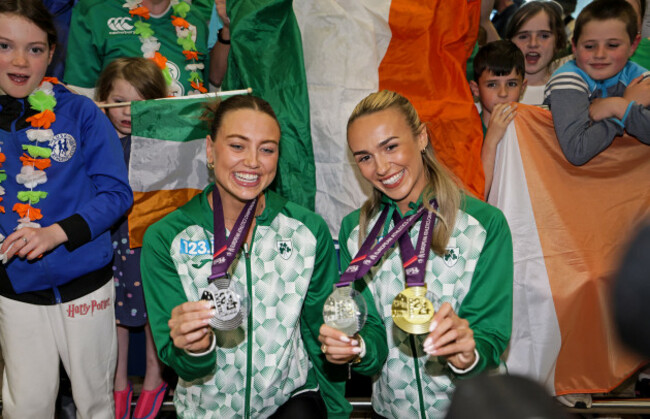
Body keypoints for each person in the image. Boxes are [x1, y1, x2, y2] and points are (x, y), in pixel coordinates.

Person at [140, 95, 350, 418]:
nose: (253, 161)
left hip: (289, 402)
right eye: (237, 146)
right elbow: (177, 358)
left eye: (267, 149)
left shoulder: (307, 231)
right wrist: (195, 347)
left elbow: (321, 333)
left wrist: (337, 414)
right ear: (210, 150)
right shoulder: (167, 238)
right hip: (207, 411)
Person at [319, 90, 513, 418]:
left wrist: (469, 354)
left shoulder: (483, 224)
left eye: (391, 146)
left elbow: (489, 333)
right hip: (391, 412)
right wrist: (356, 347)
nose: (381, 168)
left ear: (421, 137)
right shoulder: (357, 231)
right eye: (364, 157)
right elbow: (372, 330)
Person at [0, 0, 133, 417]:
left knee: (94, 403)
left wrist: (55, 233)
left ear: (52, 53)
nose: (21, 60)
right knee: (28, 406)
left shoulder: (80, 113)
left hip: (85, 285)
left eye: (35, 49)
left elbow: (116, 194)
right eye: (5, 46)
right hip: (15, 290)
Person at [95, 57, 168, 419]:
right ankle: (119, 378)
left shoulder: (164, 141)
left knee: (154, 306)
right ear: (103, 99)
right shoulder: (96, 137)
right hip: (110, 239)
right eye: (119, 100)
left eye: (140, 102)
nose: (128, 112)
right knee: (116, 311)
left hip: (149, 238)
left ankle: (154, 375)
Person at [544, 0, 650, 166]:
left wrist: (621, 107)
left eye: (612, 45)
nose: (600, 54)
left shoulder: (638, 77)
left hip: (625, 185)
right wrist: (620, 111)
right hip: (568, 185)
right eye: (589, 46)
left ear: (633, 45)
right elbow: (577, 150)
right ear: (574, 46)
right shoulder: (568, 78)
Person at [64, 0, 209, 99]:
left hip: (189, 138)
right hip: (121, 138)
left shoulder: (194, 18)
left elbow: (204, 93)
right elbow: (80, 94)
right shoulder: (95, 11)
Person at [469, 40, 527, 198]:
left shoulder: (530, 129)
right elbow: (477, 198)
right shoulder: (467, 133)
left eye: (512, 84)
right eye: (492, 85)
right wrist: (491, 140)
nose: (503, 93)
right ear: (476, 89)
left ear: (523, 87)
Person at [506, 0, 568, 104]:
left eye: (544, 36)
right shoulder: (493, 91)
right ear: (509, 42)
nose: (533, 43)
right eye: (523, 36)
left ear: (558, 41)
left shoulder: (569, 90)